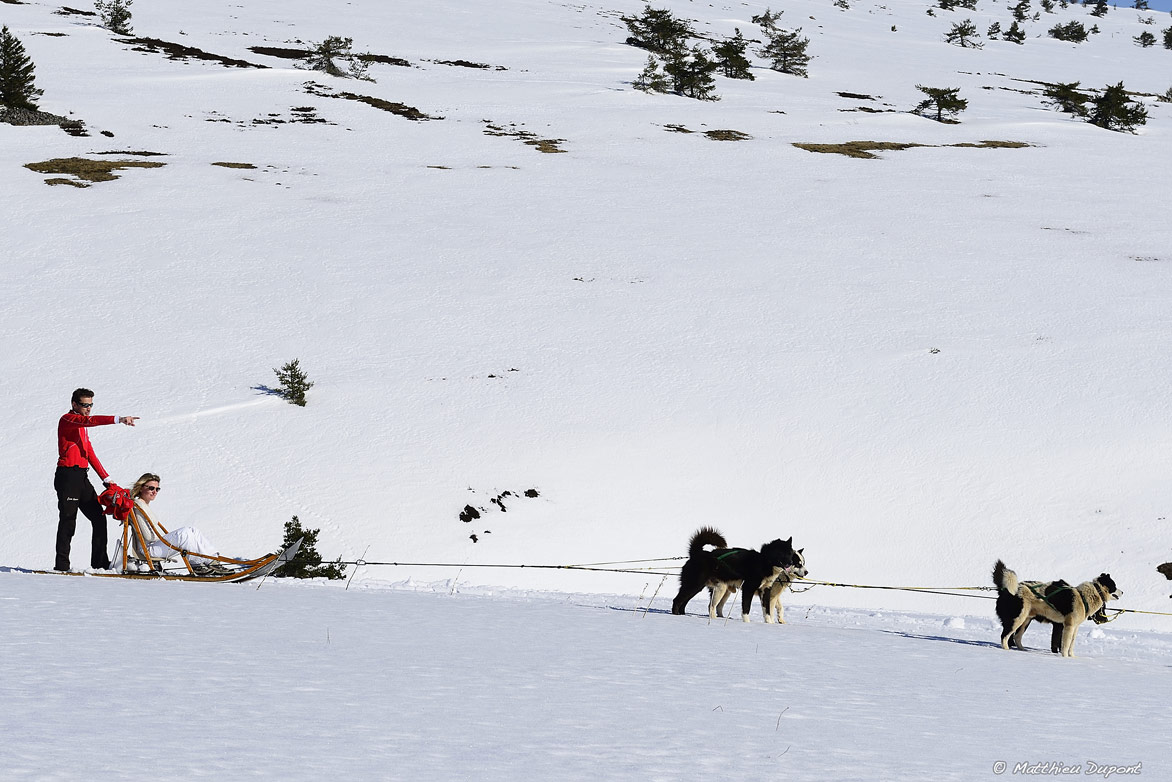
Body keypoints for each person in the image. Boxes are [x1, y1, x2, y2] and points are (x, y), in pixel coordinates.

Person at [54, 388, 138, 571]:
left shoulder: (82, 428)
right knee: (68, 519)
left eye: (91, 405)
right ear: (74, 404)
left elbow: (89, 453)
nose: (88, 408)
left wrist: (107, 479)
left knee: (99, 519)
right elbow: (89, 421)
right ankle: (61, 566)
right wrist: (119, 419)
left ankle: (100, 563)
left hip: (81, 477)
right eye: (85, 405)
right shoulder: (68, 420)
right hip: (67, 476)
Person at [113, 473, 231, 576]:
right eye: (151, 488)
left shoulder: (143, 504)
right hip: (149, 549)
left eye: (157, 489)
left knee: (192, 530)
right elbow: (148, 536)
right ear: (141, 488)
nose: (154, 492)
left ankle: (213, 560)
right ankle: (198, 564)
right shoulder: (138, 505)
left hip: (155, 545)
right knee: (184, 533)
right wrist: (168, 539)